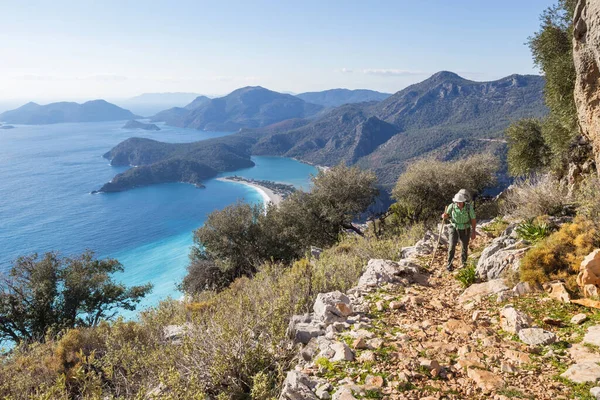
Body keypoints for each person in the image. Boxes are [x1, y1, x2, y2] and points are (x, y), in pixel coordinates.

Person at [442, 190, 476, 271]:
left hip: (465, 228)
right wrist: (444, 216)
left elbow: (473, 219)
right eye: (457, 202)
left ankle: (464, 263)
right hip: (454, 227)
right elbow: (447, 215)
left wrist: (473, 231)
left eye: (460, 202)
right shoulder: (452, 206)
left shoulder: (468, 207)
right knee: (451, 246)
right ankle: (449, 265)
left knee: (464, 246)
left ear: (463, 201)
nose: (458, 204)